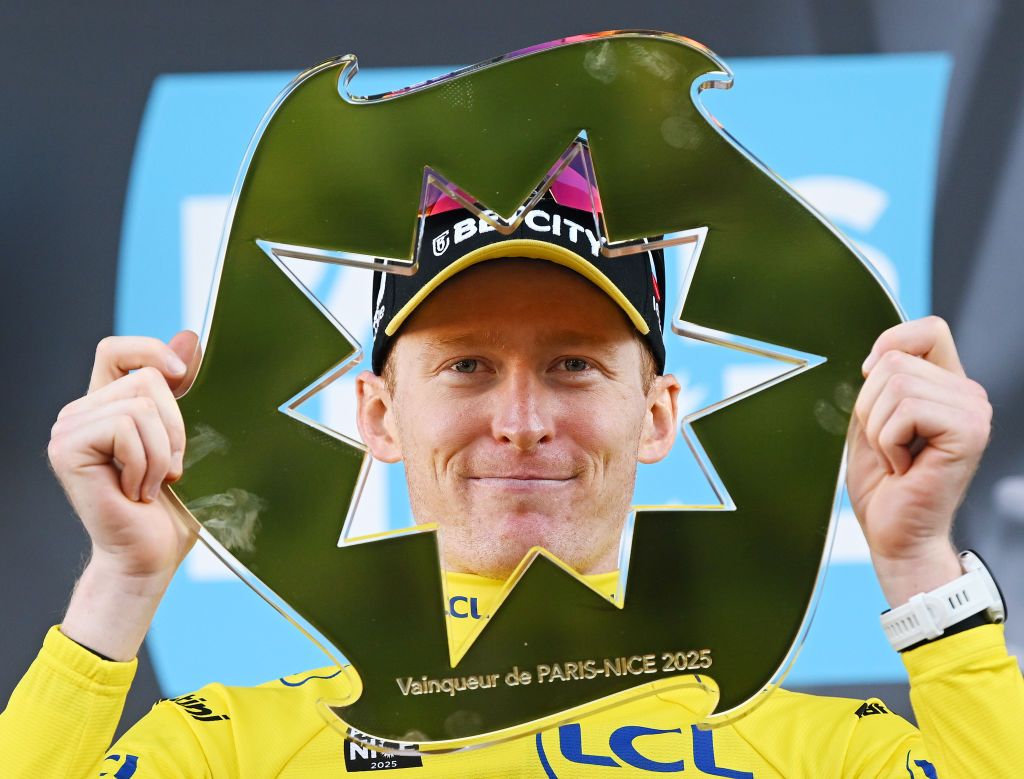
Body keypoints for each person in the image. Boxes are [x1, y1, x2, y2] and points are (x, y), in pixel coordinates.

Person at [1, 189, 1021, 778]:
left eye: (573, 362)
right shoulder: (233, 747)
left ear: (658, 413)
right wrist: (120, 586)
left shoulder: (812, 747)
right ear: (379, 417)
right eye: (466, 365)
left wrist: (916, 559)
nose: (522, 418)